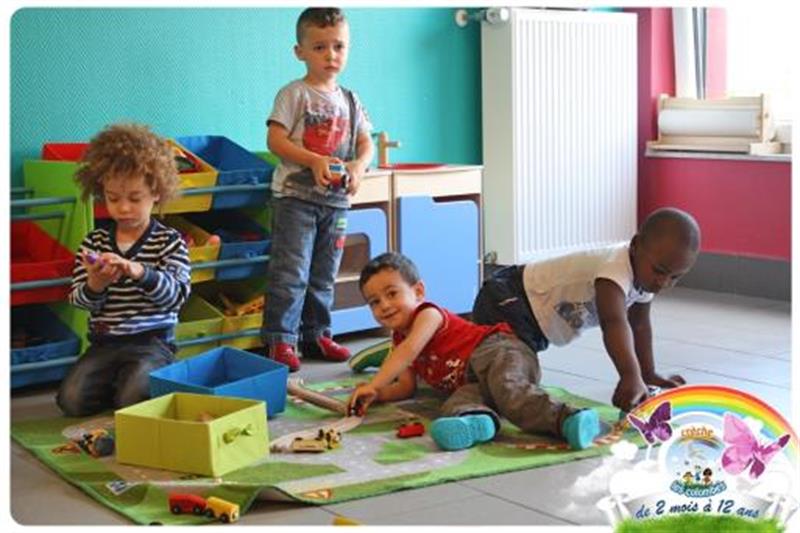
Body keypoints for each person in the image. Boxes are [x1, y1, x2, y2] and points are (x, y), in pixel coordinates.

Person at [347, 252, 601, 452]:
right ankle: (479, 423)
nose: (385, 305)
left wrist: (374, 383)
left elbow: (409, 350)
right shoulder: (399, 338)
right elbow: (405, 386)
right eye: (375, 302)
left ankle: (569, 419)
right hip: (471, 379)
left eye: (392, 293)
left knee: (510, 391)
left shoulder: (427, 315)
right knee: (456, 404)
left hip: (499, 351)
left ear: (418, 292)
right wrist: (377, 395)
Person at [472, 207, 701, 412]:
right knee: (513, 372)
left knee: (501, 367)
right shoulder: (614, 270)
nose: (663, 282)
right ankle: (547, 416)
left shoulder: (645, 277)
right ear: (635, 245)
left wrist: (647, 374)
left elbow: (639, 325)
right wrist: (629, 375)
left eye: (675, 277)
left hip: (531, 323)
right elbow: (614, 323)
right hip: (508, 300)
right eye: (659, 271)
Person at [261, 7, 374, 372]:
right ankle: (281, 340)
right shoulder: (294, 94)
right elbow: (276, 139)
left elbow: (365, 143)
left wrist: (358, 166)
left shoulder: (351, 100)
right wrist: (313, 160)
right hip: (296, 198)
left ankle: (318, 334)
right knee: (291, 272)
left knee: (324, 273)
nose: (331, 55)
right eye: (320, 47)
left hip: (336, 202)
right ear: (301, 52)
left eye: (339, 46)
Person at [56, 123, 191, 416]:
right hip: (105, 343)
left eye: (134, 198)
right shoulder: (95, 241)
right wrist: (95, 285)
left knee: (131, 399)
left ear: (156, 192)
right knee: (70, 400)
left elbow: (177, 296)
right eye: (113, 198)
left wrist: (140, 272)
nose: (123, 208)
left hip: (152, 344)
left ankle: (147, 382)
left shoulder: (169, 242)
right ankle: (124, 385)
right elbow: (79, 300)